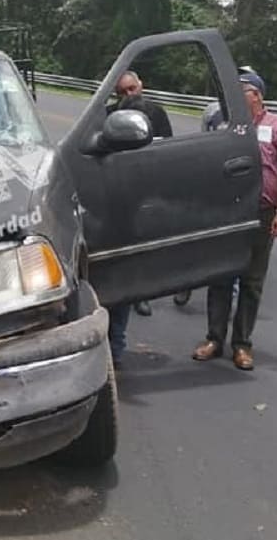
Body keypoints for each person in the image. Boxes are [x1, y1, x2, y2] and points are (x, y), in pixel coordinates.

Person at [191, 71, 277, 370]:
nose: (236, 94)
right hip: (228, 211)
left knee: (252, 281)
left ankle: (242, 345)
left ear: (256, 94)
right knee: (220, 277)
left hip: (262, 212)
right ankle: (214, 339)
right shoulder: (227, 126)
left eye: (242, 89)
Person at [175, 66, 263, 306]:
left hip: (240, 192)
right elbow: (204, 142)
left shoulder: (260, 121)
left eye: (245, 87)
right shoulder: (214, 111)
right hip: (213, 187)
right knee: (197, 239)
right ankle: (186, 283)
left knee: (233, 244)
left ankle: (228, 292)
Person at [104, 70, 173, 366]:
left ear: (141, 84)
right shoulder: (107, 116)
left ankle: (140, 296)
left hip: (147, 198)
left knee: (140, 260)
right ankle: (111, 347)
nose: (130, 95)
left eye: (133, 88)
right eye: (123, 92)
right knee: (115, 271)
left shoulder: (156, 113)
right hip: (114, 201)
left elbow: (168, 152)